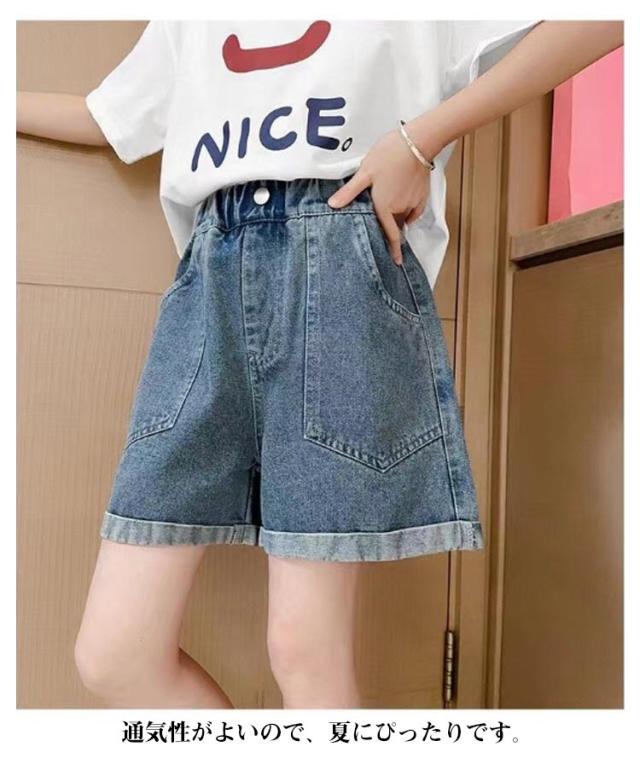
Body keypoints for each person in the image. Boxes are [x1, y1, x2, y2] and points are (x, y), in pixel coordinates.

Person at [17, 19, 623, 710]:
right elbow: (108, 116)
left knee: (304, 649)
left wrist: (420, 141)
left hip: (340, 266)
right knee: (114, 655)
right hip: (208, 282)